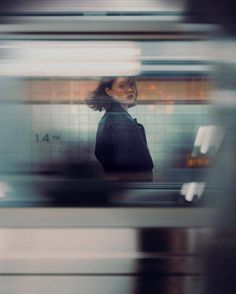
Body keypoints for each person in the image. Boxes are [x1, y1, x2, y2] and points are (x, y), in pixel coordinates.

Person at [86, 77, 154, 181]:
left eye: (131, 85)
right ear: (109, 91)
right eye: (122, 86)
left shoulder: (108, 118)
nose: (130, 90)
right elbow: (135, 170)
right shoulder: (123, 123)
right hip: (132, 191)